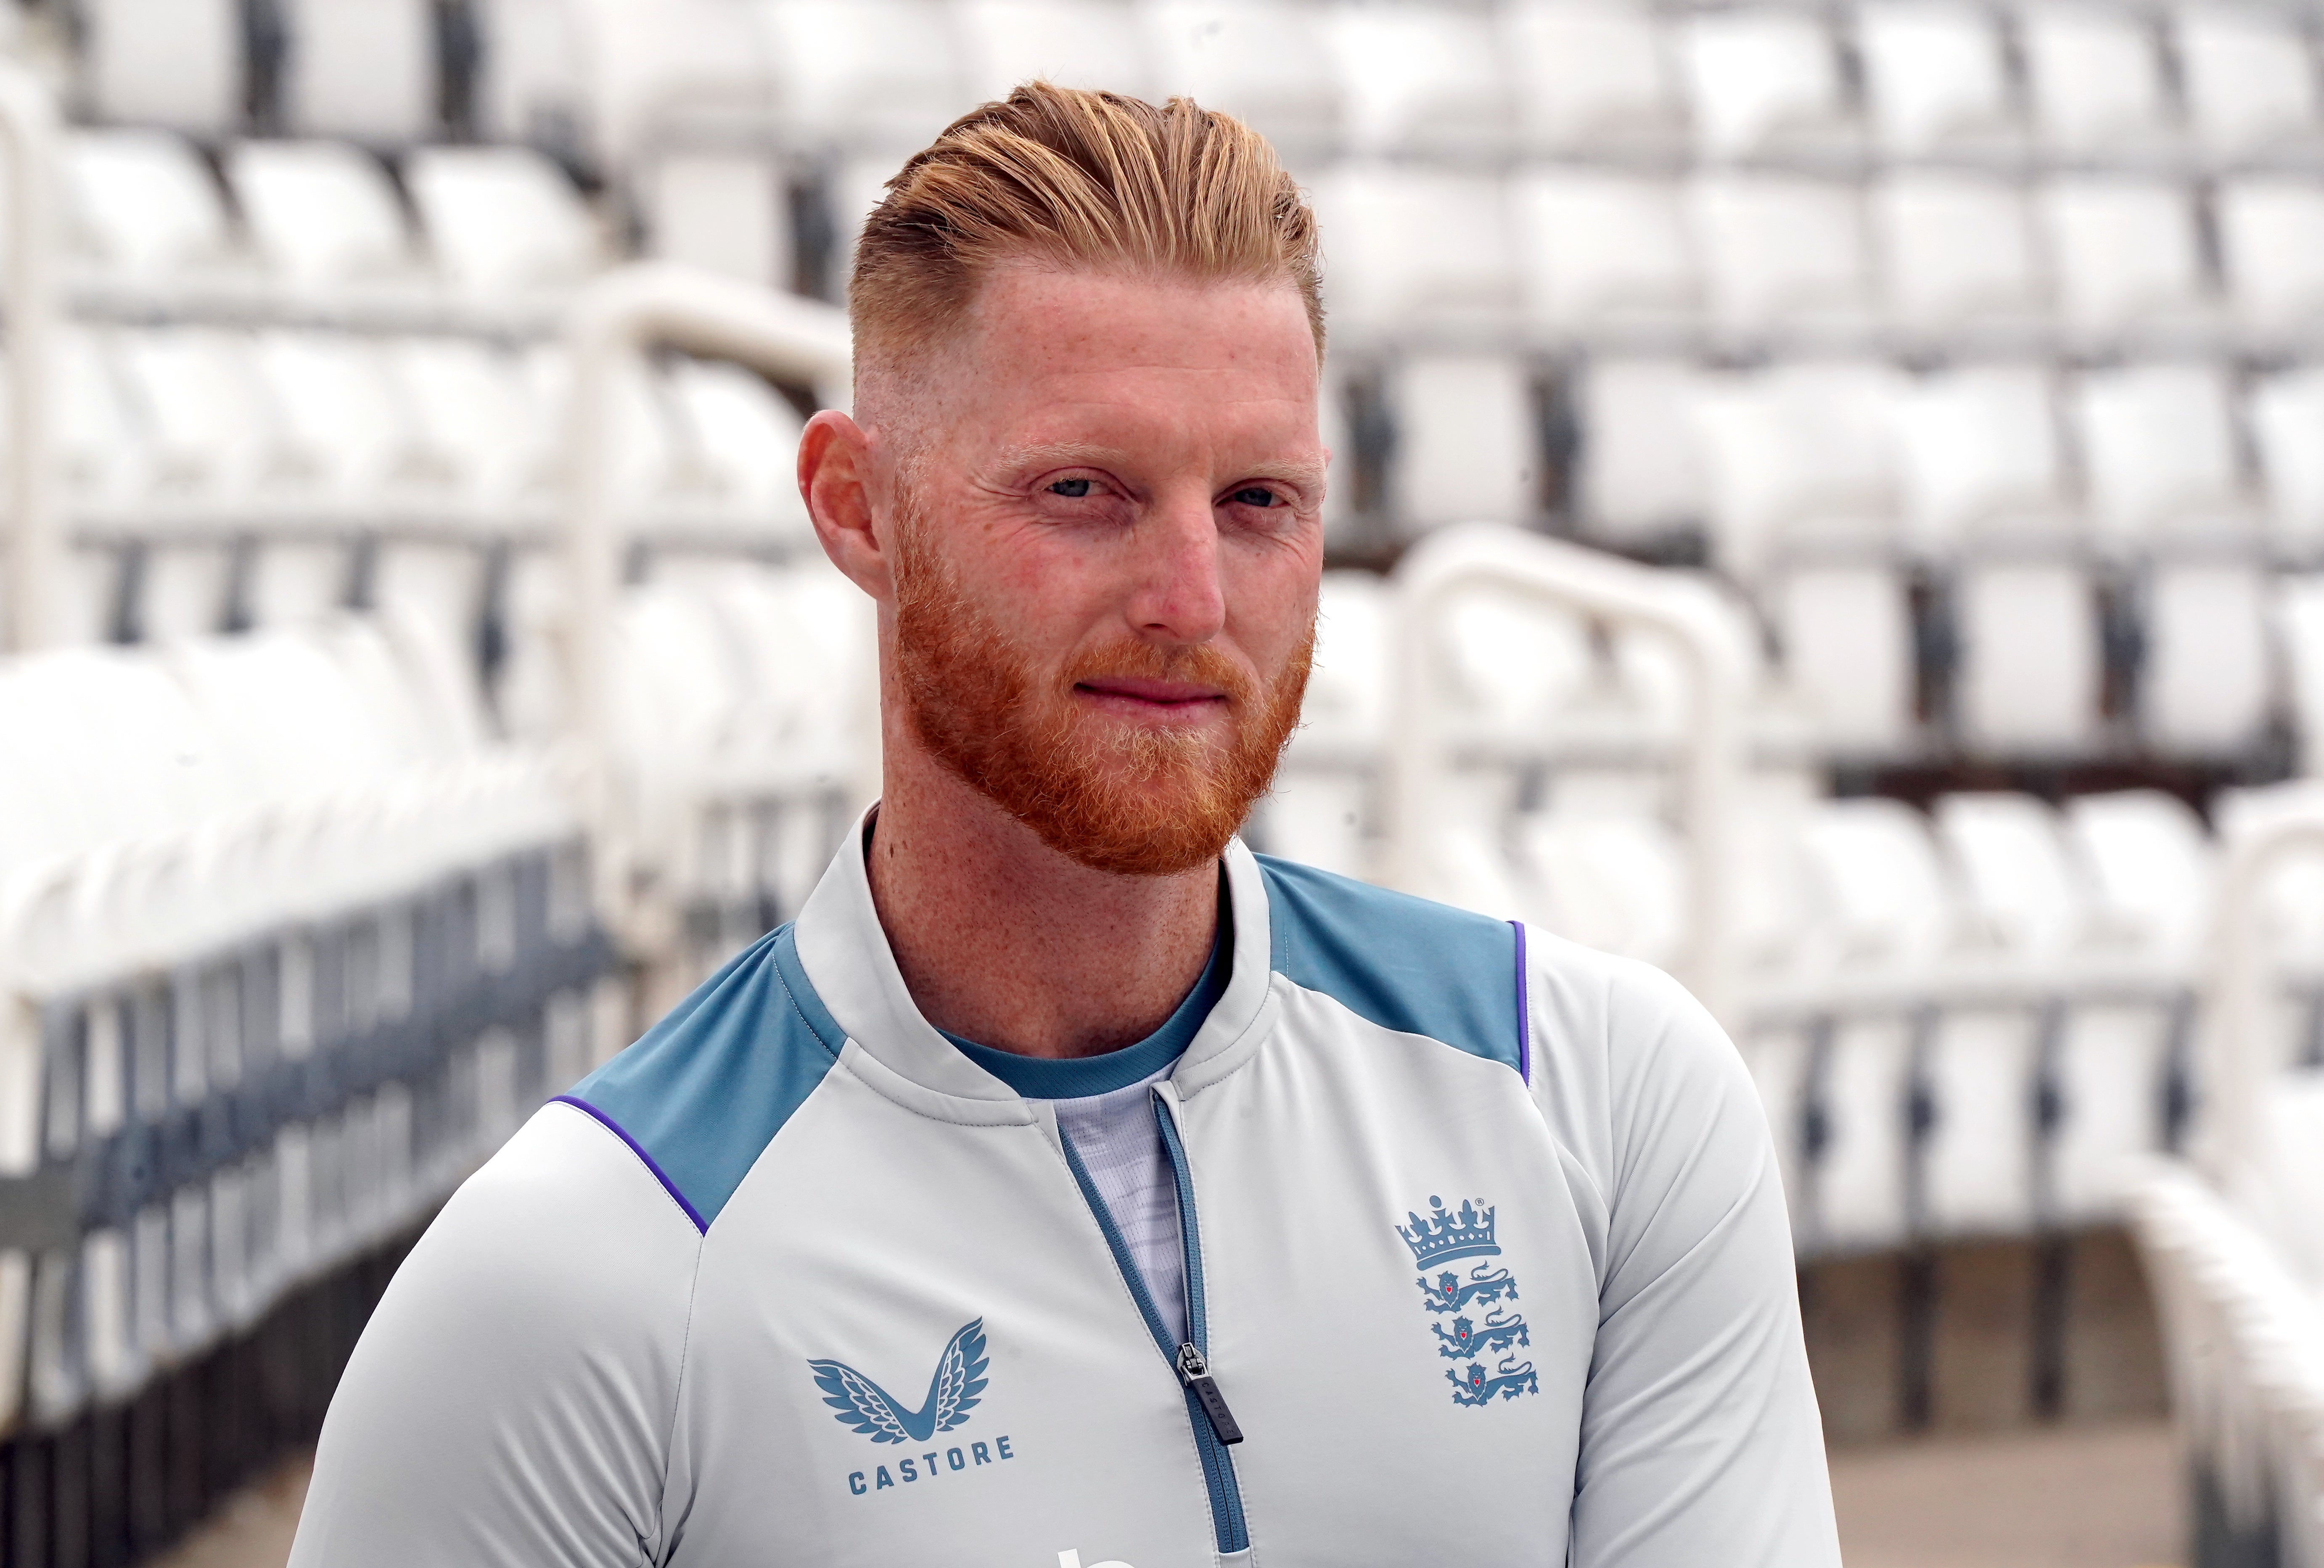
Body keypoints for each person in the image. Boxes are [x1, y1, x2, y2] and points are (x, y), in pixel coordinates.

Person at [287, 84, 1841, 1567]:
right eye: (1084, 490)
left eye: (1259, 502)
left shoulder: (1606, 1098)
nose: (1191, 602)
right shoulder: (581, 1270)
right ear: (857, 506)